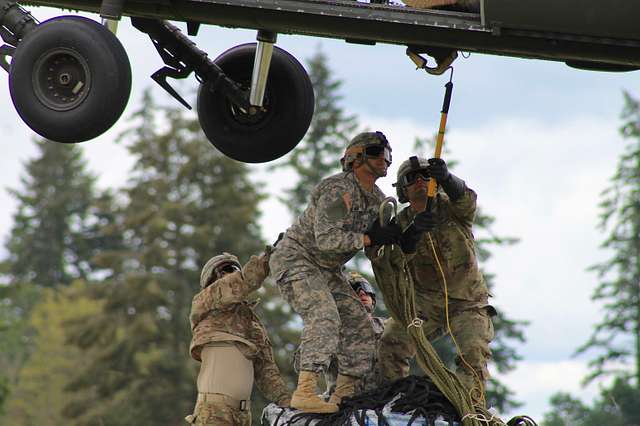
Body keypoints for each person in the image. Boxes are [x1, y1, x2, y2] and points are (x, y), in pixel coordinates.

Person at [269, 131, 401, 413]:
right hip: (297, 259)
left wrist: (400, 236)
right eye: (377, 152)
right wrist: (369, 238)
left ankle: (343, 396)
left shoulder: (377, 200)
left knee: (359, 324)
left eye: (388, 154)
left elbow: (374, 252)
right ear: (356, 158)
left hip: (327, 269)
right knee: (324, 316)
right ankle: (305, 391)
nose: (385, 159)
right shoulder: (338, 190)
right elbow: (326, 240)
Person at [376, 156, 495, 401]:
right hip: (425, 305)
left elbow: (466, 198)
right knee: (391, 341)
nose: (420, 181)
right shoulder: (399, 223)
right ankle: (395, 400)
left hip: (467, 300)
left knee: (473, 352)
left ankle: (467, 407)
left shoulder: (452, 208)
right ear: (403, 190)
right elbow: (395, 261)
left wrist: (447, 177)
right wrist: (414, 231)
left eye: (426, 176)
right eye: (412, 178)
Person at [186, 252, 291, 426]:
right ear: (212, 280)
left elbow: (266, 370)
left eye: (235, 268)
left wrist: (287, 402)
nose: (232, 273)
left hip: (243, 416)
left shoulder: (251, 323)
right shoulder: (204, 302)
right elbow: (241, 282)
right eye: (226, 269)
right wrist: (267, 257)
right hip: (214, 412)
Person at [323, 271, 386, 396]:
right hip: (343, 402)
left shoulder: (388, 327)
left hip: (383, 399)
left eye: (366, 289)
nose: (362, 293)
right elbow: (302, 364)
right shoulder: (330, 330)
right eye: (354, 289)